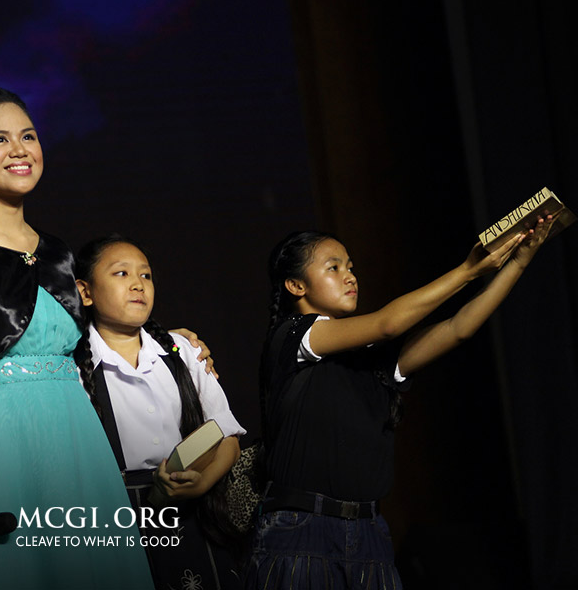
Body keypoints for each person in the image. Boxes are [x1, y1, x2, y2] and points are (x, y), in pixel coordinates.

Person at [0, 87, 154, 589]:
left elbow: (101, 340)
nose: (20, 149)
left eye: (29, 136)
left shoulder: (60, 254)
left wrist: (180, 342)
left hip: (75, 443)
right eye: (0, 139)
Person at [247, 219, 554, 589]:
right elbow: (388, 323)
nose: (349, 276)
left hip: (369, 535)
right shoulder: (292, 336)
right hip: (301, 531)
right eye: (334, 267)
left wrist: (517, 262)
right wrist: (468, 271)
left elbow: (459, 328)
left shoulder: (372, 358)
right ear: (296, 285)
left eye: (351, 267)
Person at [74, 235, 246, 589]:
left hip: (194, 512)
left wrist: (204, 481)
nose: (138, 284)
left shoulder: (182, 350)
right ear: (85, 291)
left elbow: (227, 435)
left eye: (146, 275)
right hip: (116, 517)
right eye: (121, 274)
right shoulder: (71, 366)